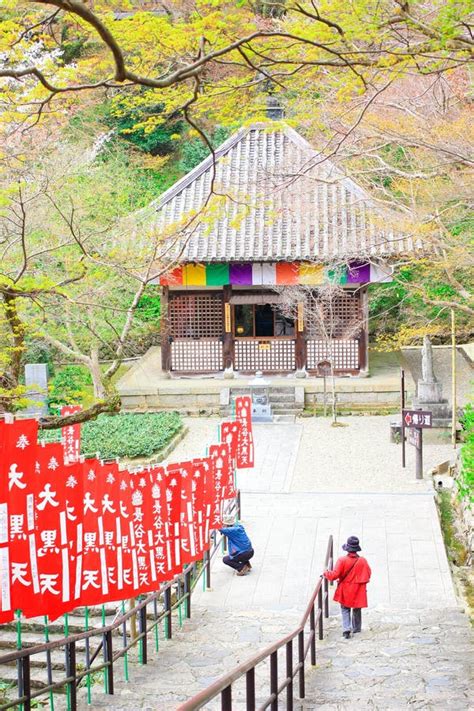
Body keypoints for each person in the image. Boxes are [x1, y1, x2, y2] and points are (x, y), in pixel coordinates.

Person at [323, 535, 371, 639]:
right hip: (358, 590)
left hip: (345, 590)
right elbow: (368, 574)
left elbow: (334, 575)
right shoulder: (363, 561)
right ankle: (357, 628)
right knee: (357, 609)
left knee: (345, 609)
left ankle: (346, 629)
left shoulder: (342, 560)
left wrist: (325, 573)